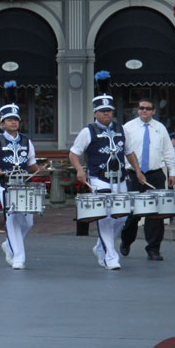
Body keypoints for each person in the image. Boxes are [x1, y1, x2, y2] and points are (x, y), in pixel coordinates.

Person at [0, 82, 43, 270]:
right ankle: (18, 258)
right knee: (13, 219)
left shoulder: (26, 141)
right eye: (10, 120)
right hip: (5, 184)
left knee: (28, 221)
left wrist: (42, 171)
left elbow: (32, 164)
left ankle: (9, 244)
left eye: (16, 119)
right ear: (3, 123)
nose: (14, 122)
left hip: (23, 185)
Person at [68, 71, 127, 271]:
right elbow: (74, 153)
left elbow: (130, 151)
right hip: (99, 179)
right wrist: (79, 170)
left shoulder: (120, 129)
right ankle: (111, 255)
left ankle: (101, 247)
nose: (106, 114)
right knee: (106, 216)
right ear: (95, 112)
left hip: (121, 178)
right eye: (102, 111)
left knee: (123, 216)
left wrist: (137, 169)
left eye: (109, 111)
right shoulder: (88, 131)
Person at [120, 98, 175, 261]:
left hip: (155, 174)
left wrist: (172, 172)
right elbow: (122, 151)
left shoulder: (160, 128)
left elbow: (168, 152)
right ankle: (126, 240)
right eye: (141, 108)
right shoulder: (128, 128)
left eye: (148, 108)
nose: (144, 111)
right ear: (138, 110)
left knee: (155, 213)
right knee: (132, 212)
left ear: (153, 111)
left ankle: (153, 249)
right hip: (133, 175)